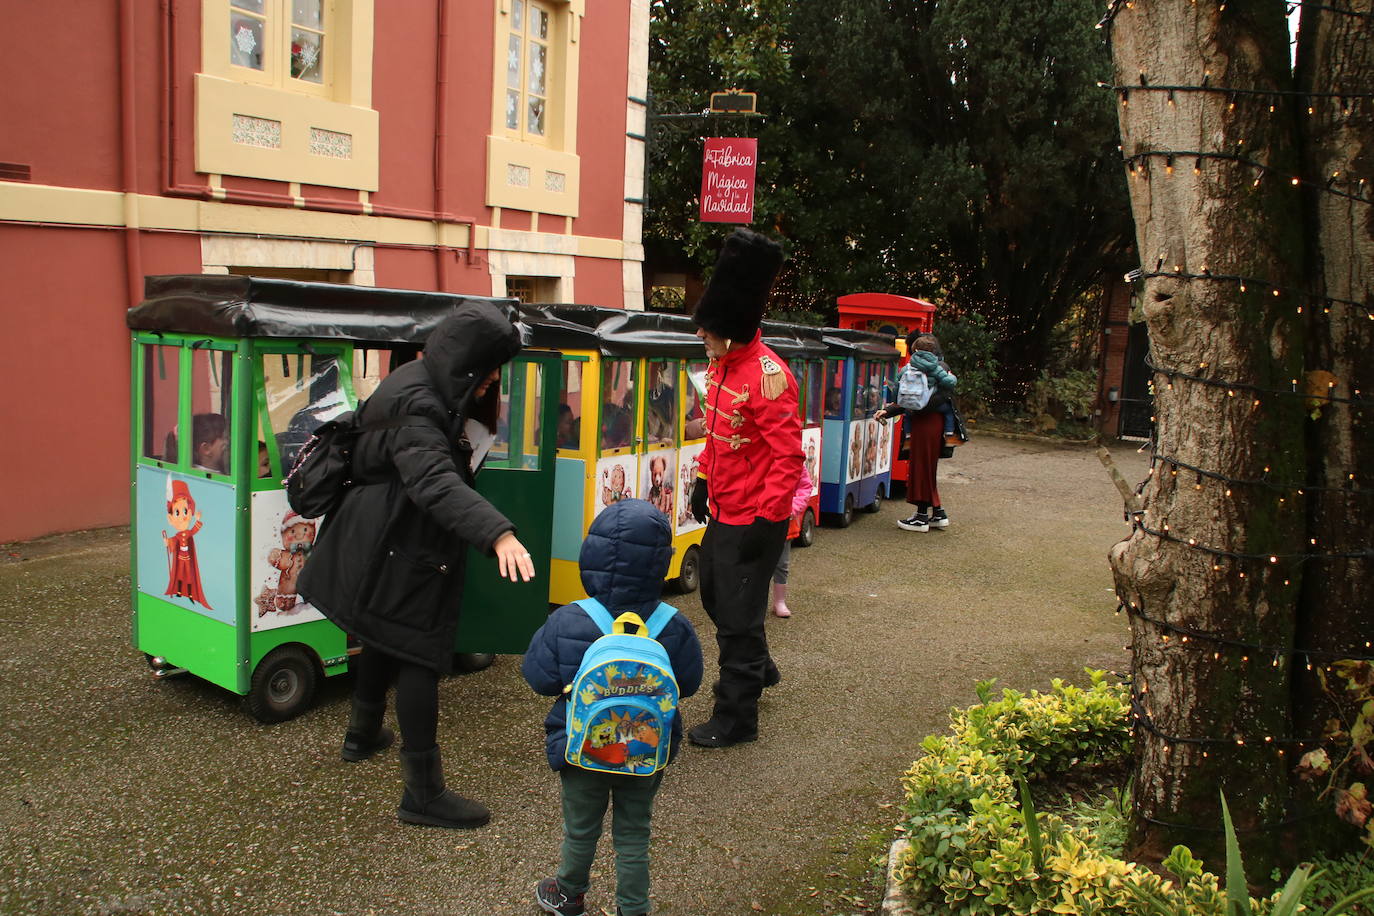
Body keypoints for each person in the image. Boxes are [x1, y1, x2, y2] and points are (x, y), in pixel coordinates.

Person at [297, 301, 536, 830]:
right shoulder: (422, 404)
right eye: (491, 368)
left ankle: (362, 734)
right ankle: (423, 794)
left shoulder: (414, 378)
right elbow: (433, 481)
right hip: (397, 541)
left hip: (381, 535)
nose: (493, 379)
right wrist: (497, 533)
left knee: (384, 633)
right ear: (469, 360)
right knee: (419, 654)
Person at [523, 499, 704, 916]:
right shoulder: (672, 624)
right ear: (662, 562)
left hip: (581, 747)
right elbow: (689, 684)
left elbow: (538, 677)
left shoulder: (570, 619)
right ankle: (634, 907)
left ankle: (568, 894)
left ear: (592, 555)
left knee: (581, 828)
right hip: (645, 750)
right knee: (635, 833)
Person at [686, 228, 802, 749]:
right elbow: (715, 432)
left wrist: (769, 518)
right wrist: (703, 479)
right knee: (714, 595)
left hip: (755, 516)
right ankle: (759, 666)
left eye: (708, 330)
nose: (702, 337)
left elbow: (788, 457)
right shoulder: (721, 365)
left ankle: (737, 715)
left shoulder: (769, 377)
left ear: (730, 330)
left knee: (735, 619)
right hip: (724, 509)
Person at [876, 333, 957, 533]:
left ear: (915, 351)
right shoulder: (943, 370)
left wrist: (892, 409)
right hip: (937, 424)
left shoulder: (910, 369)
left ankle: (921, 517)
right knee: (928, 468)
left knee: (921, 468)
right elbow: (945, 397)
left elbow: (905, 399)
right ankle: (938, 513)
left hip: (923, 424)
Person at [770, 461, 814, 619]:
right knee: (759, 566)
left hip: (785, 523)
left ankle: (779, 601)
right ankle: (757, 603)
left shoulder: (793, 462)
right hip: (760, 522)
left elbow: (805, 486)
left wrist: (792, 508)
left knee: (782, 564)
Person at [906, 336, 961, 446]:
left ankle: (908, 436)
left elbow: (899, 383)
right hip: (930, 402)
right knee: (949, 409)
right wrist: (952, 377)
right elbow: (949, 382)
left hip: (913, 401)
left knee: (906, 412)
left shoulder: (909, 367)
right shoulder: (936, 367)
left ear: (915, 351)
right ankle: (949, 434)